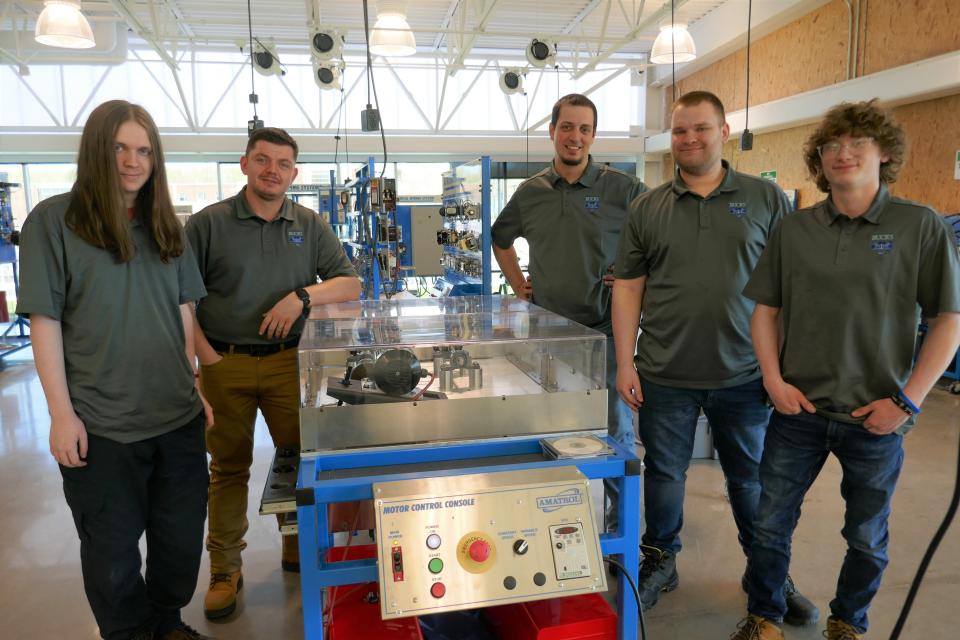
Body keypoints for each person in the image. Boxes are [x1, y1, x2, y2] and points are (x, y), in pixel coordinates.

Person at [731, 100, 960, 640]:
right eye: (832, 145)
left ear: (884, 155)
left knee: (865, 536)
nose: (843, 153)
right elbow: (765, 310)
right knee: (769, 525)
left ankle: (848, 622)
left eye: (858, 143)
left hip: (876, 417)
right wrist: (771, 378)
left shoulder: (919, 225)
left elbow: (949, 319)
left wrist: (908, 400)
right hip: (798, 409)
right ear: (819, 158)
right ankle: (764, 615)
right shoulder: (795, 228)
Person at [611, 90, 816, 623]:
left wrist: (782, 367)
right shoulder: (647, 206)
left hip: (745, 375)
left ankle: (767, 574)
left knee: (750, 480)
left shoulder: (767, 199)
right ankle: (660, 561)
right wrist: (625, 362)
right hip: (664, 373)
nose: (690, 139)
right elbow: (628, 288)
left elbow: (790, 286)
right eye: (680, 131)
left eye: (701, 128)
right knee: (664, 475)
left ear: (724, 132)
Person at [16, 100, 213, 640]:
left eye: (144, 150)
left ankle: (166, 622)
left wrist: (195, 385)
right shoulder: (53, 222)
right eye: (120, 147)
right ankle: (128, 633)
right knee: (112, 555)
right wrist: (60, 415)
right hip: (102, 426)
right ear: (97, 151)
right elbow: (45, 319)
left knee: (179, 541)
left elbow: (182, 312)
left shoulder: (165, 225)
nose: (133, 161)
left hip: (175, 418)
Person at [184, 127, 361, 620]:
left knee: (298, 459)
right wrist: (205, 361)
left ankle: (295, 545)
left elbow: (350, 283)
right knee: (227, 469)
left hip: (290, 363)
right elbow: (180, 300)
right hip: (226, 362)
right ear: (244, 164)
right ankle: (224, 570)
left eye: (282, 164)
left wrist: (302, 295)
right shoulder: (207, 225)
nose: (272, 171)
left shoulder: (307, 223)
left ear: (294, 173)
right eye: (262, 160)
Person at [491, 94, 647, 525]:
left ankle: (620, 524)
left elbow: (657, 234)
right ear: (552, 131)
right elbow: (500, 238)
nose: (574, 137)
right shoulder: (530, 193)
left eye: (583, 129)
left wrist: (635, 274)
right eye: (566, 127)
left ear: (593, 135)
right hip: (550, 333)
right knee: (551, 429)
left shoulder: (624, 189)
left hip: (606, 331)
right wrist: (517, 283)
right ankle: (556, 521)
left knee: (617, 432)